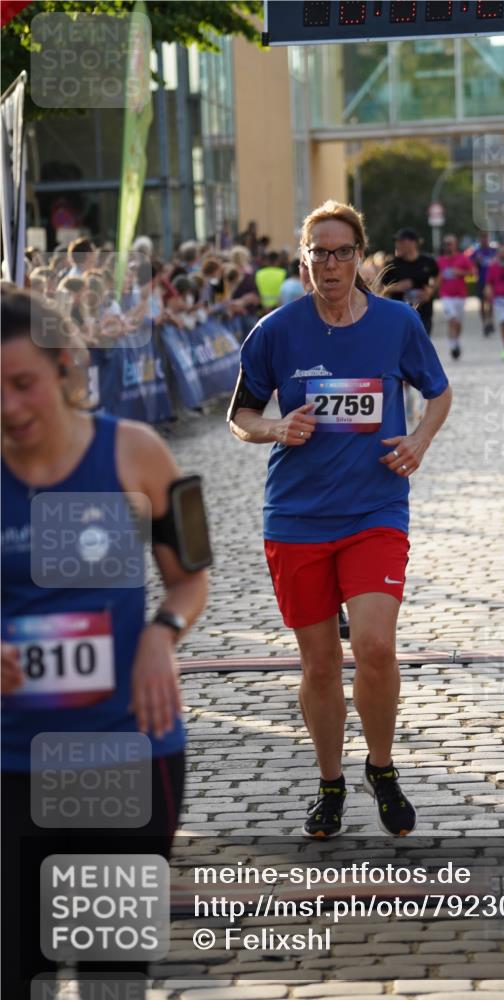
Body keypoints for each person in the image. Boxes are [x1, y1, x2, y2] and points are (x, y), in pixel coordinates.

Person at [1, 289, 209, 998]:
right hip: (8, 761)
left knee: (111, 976)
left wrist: (162, 633)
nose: (9, 407)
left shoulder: (139, 452)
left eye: (22, 382)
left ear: (65, 369)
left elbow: (194, 576)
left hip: (126, 752)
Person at [228, 200, 452, 839]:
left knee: (376, 647)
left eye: (343, 251)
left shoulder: (395, 323)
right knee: (320, 665)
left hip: (375, 508)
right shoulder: (275, 331)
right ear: (304, 260)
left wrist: (418, 441)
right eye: (319, 252)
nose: (331, 264)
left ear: (361, 257)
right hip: (296, 517)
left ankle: (380, 768)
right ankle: (330, 782)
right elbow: (240, 417)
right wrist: (276, 426)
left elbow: (438, 392)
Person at [379, 228, 439, 337]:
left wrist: (431, 290)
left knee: (421, 345)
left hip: (423, 313)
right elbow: (379, 289)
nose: (397, 244)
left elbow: (438, 275)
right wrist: (397, 287)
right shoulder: (391, 264)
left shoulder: (428, 261)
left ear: (413, 243)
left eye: (401, 241)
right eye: (396, 242)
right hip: (399, 315)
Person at [437, 234, 475, 360]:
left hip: (460, 295)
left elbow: (473, 272)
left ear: (455, 245)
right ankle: (453, 346)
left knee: (458, 323)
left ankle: (456, 341)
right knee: (452, 320)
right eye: (446, 243)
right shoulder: (440, 260)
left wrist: (460, 272)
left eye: (451, 243)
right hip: (446, 295)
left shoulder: (462, 258)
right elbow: (435, 277)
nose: (448, 246)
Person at [470, 232, 497, 335]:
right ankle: (484, 323)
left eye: (485, 238)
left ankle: (490, 321)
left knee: (490, 302)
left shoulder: (493, 251)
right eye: (482, 238)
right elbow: (470, 265)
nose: (484, 240)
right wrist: (476, 263)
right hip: (481, 280)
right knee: (481, 303)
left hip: (491, 281)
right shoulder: (476, 252)